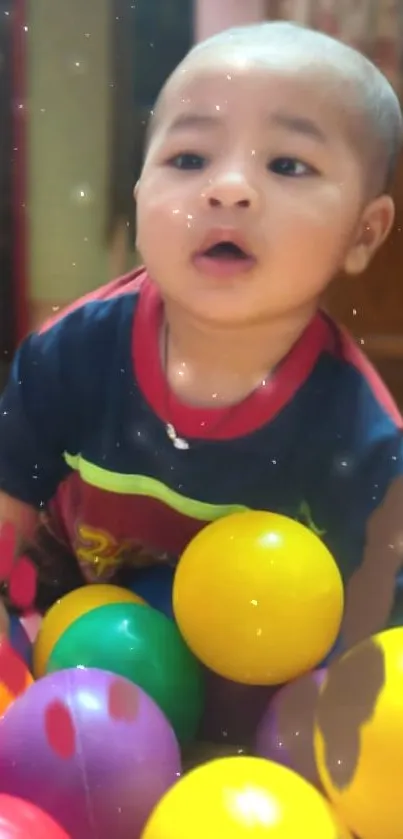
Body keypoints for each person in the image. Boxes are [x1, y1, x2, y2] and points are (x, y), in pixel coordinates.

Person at [0, 21, 403, 649]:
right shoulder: (68, 357)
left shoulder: (361, 436)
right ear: (139, 197)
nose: (229, 189)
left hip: (263, 698)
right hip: (73, 653)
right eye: (189, 159)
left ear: (364, 234)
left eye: (287, 164)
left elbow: (376, 645)